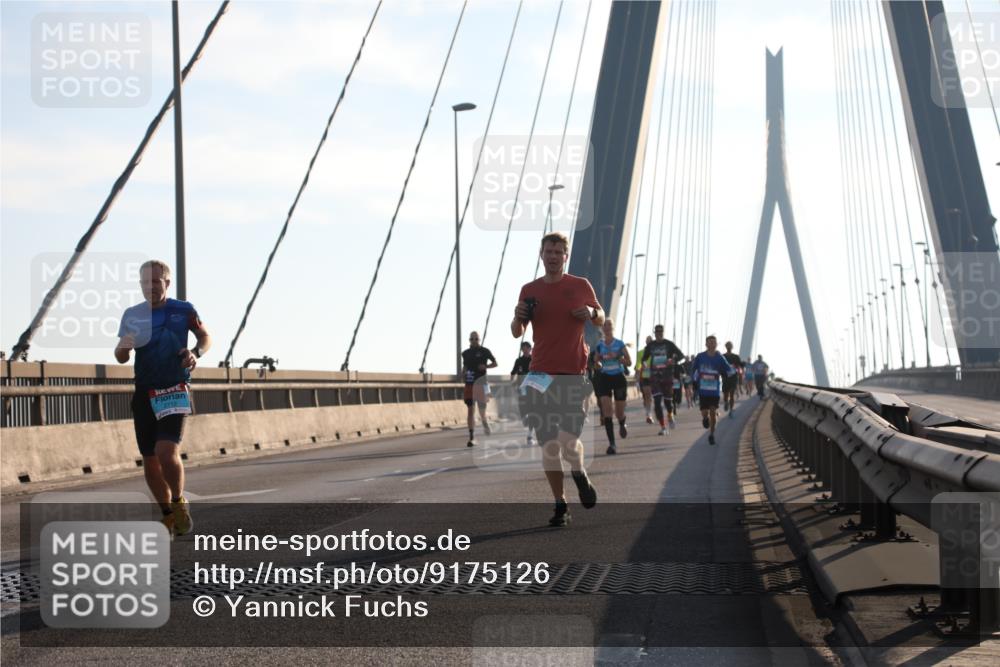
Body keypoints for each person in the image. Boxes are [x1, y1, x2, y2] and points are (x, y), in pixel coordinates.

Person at [512, 231, 602, 527]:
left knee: (567, 442)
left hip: (573, 376)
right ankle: (560, 504)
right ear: (541, 254)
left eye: (558, 252)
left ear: (565, 256)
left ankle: (578, 471)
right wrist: (517, 315)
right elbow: (516, 331)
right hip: (540, 376)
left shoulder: (579, 285)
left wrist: (590, 311)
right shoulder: (529, 289)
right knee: (549, 446)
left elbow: (600, 315)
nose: (553, 256)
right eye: (548, 251)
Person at [115, 260, 210, 537]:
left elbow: (205, 336)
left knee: (166, 451)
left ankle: (179, 501)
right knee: (150, 458)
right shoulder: (132, 315)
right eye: (145, 283)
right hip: (144, 390)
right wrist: (123, 347)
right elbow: (120, 357)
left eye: (155, 282)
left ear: (167, 282)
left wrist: (196, 353)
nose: (150, 287)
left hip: (174, 387)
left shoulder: (184, 310)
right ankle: (168, 514)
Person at [593, 319, 631, 455]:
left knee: (619, 412)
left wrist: (620, 358)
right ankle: (612, 444)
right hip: (605, 379)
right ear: (602, 329)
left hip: (618, 378)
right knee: (607, 411)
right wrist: (598, 365)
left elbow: (629, 362)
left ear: (613, 328)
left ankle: (622, 423)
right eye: (605, 325)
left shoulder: (619, 344)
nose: (607, 327)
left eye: (609, 325)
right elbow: (596, 362)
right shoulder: (599, 346)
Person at [690, 335, 736, 445]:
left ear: (716, 344)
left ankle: (711, 435)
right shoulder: (700, 356)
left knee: (713, 412)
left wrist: (730, 372)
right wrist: (694, 382)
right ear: (706, 344)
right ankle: (705, 419)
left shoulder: (720, 357)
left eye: (713, 342)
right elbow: (693, 370)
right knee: (705, 413)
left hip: (714, 390)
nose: (711, 344)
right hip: (703, 390)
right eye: (709, 342)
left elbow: (728, 369)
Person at [642, 325, 684, 435]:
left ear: (663, 332)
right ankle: (663, 427)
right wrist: (645, 364)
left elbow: (681, 355)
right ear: (654, 333)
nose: (659, 333)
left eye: (661, 331)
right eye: (657, 331)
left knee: (668, 402)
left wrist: (672, 360)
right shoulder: (651, 345)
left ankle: (670, 415)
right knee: (656, 403)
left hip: (667, 376)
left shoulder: (669, 344)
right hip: (655, 377)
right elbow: (644, 358)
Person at [462, 331, 497, 447]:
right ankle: (471, 437)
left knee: (482, 412)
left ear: (479, 339)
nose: (474, 341)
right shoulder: (465, 353)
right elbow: (465, 366)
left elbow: (495, 363)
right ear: (469, 340)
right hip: (469, 384)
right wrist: (464, 372)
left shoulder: (485, 351)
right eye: (472, 339)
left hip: (481, 384)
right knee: (470, 410)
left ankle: (485, 422)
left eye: (476, 339)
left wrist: (485, 366)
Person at [510, 341, 534, 445]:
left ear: (530, 349)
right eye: (523, 348)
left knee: (533, 412)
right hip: (521, 389)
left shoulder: (534, 360)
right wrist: (512, 382)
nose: (525, 350)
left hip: (533, 390)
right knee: (523, 411)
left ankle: (529, 436)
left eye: (527, 348)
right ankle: (525, 419)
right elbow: (513, 373)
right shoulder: (518, 360)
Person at [721, 341, 744, 416]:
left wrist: (743, 365)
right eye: (727, 346)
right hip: (725, 377)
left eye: (730, 346)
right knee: (726, 394)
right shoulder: (722, 356)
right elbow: (719, 366)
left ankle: (731, 410)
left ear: (732, 347)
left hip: (734, 377)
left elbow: (740, 366)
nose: (729, 347)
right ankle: (726, 402)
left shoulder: (736, 357)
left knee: (732, 394)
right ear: (726, 347)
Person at [636, 335, 654, 424]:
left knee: (649, 396)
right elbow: (638, 365)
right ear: (646, 343)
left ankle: (649, 413)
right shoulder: (640, 353)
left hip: (654, 377)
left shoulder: (655, 353)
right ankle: (649, 414)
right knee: (647, 395)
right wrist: (639, 368)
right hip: (645, 377)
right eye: (648, 341)